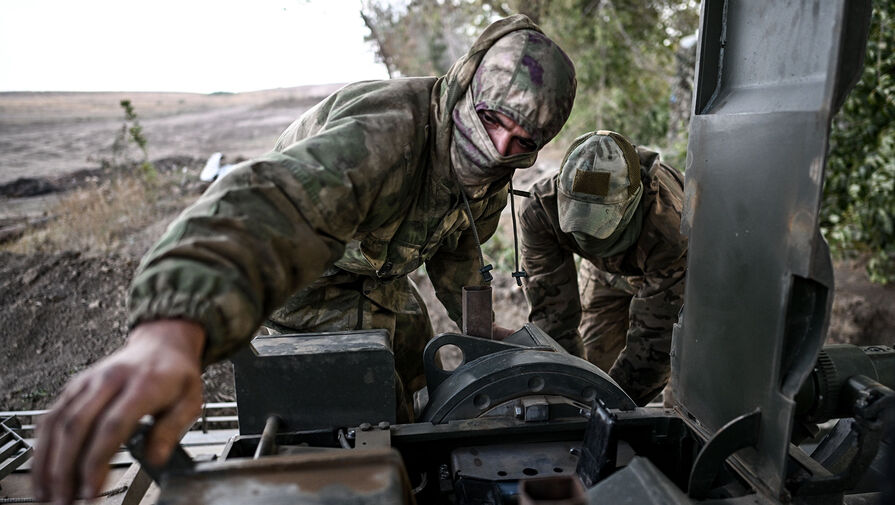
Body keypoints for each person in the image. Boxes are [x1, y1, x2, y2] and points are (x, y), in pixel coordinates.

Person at [32, 15, 576, 504]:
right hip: (309, 281)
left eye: (522, 139)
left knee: (414, 371)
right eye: (492, 120)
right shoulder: (388, 132)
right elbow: (272, 208)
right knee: (356, 404)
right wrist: (172, 332)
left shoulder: (494, 163)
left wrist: (475, 327)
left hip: (379, 277)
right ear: (467, 89)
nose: (499, 146)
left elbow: (457, 237)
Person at [518, 130, 686, 406]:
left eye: (599, 224)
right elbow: (553, 313)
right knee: (591, 368)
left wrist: (609, 412)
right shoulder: (541, 211)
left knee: (679, 386)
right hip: (603, 272)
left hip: (671, 273)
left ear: (630, 203)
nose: (587, 237)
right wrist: (571, 394)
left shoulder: (669, 227)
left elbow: (654, 344)